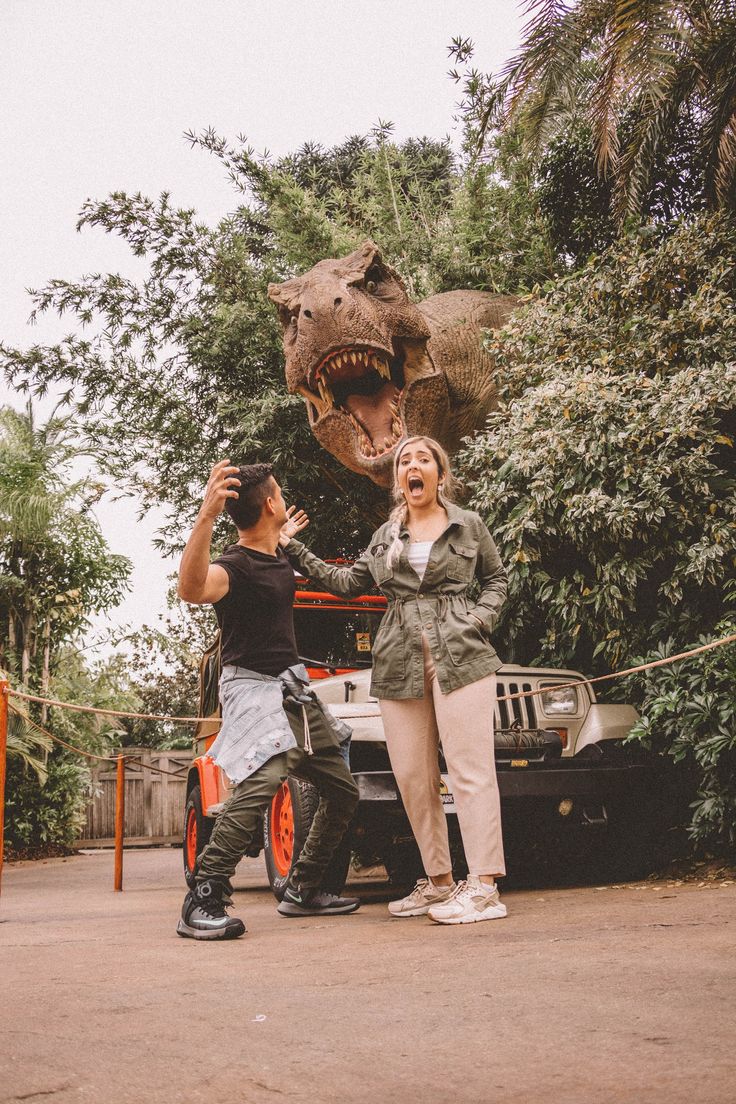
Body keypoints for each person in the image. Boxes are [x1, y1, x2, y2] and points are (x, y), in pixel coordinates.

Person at [282, 436, 508, 925]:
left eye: (424, 458)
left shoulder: (467, 525)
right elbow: (346, 584)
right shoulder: (386, 534)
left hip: (461, 654)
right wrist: (292, 547)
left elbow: (497, 579)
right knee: (411, 776)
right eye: (405, 460)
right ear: (398, 480)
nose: (414, 465)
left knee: (470, 771)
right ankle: (440, 883)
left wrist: (479, 619)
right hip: (399, 657)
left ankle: (485, 886)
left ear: (439, 474)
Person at [176, 459, 360, 940]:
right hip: (250, 687)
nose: (283, 497)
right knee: (262, 785)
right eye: (279, 493)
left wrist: (283, 534)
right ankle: (204, 896)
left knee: (342, 789)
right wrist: (206, 516)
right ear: (272, 504)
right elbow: (191, 588)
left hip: (292, 688)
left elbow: (274, 546)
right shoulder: (233, 567)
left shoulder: (274, 551)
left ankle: (303, 888)